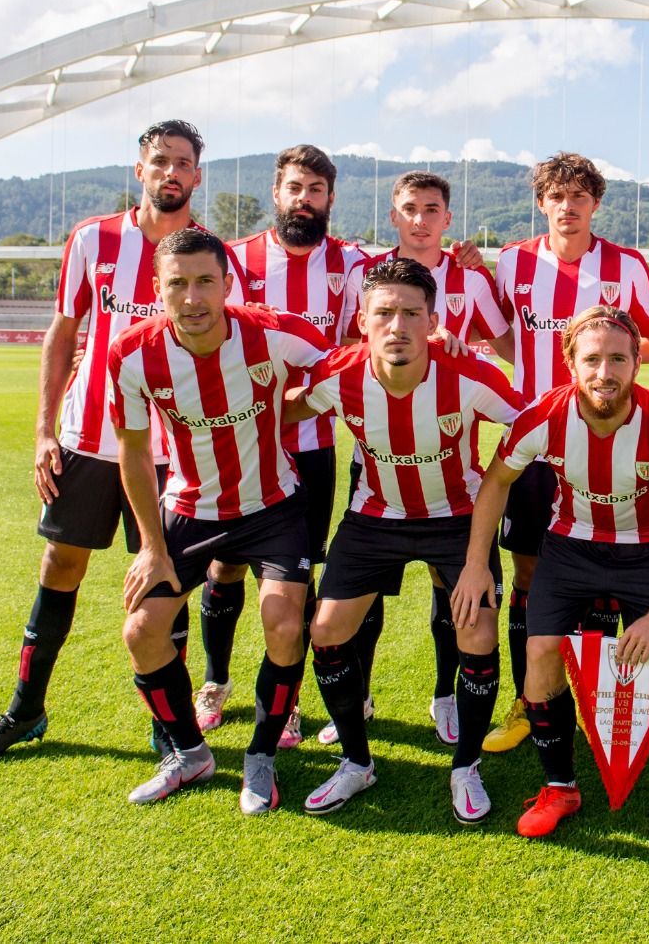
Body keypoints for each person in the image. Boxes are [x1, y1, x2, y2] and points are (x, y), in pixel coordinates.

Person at [0, 120, 238, 768]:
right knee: (61, 566)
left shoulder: (208, 253)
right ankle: (27, 708)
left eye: (184, 163)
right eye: (160, 160)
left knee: (165, 581)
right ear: (138, 170)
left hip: (171, 450)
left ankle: (167, 725)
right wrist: (42, 432)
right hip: (88, 438)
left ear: (197, 176)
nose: (171, 172)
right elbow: (63, 333)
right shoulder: (93, 239)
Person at [456, 306, 649, 845]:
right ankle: (560, 786)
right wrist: (477, 562)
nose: (604, 372)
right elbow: (496, 481)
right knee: (542, 651)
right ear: (570, 362)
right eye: (591, 359)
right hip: (571, 548)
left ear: (638, 361)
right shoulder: (542, 417)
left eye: (618, 358)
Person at [291, 257, 522, 821]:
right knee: (325, 630)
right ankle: (355, 762)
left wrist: (491, 498)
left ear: (433, 320)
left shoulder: (468, 374)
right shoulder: (340, 374)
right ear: (363, 320)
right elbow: (287, 408)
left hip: (458, 516)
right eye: (385, 314)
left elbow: (529, 424)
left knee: (478, 626)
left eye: (412, 314)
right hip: (374, 517)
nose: (398, 326)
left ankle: (465, 766)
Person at [109, 227, 329, 809]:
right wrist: (151, 547)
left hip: (273, 504)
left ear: (228, 284)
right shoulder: (132, 351)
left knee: (283, 622)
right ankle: (189, 753)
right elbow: (133, 450)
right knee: (142, 631)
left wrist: (297, 402)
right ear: (157, 290)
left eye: (206, 281)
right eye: (177, 283)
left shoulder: (274, 333)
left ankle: (260, 756)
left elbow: (348, 371)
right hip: (188, 510)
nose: (193, 297)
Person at [484, 152, 649, 753]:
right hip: (536, 441)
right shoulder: (515, 260)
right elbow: (500, 334)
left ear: (595, 204)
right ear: (541, 203)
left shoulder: (623, 265)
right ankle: (530, 698)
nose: (567, 208)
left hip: (612, 441)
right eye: (556, 197)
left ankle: (619, 696)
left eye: (580, 197)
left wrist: (609, 370)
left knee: (617, 562)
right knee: (530, 572)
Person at [335, 171, 513, 747]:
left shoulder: (467, 274)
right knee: (363, 592)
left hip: (451, 456)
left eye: (431, 209)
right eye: (409, 208)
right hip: (381, 460)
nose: (419, 218)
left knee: (452, 592)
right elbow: (347, 343)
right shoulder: (367, 274)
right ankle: (356, 698)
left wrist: (467, 345)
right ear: (393, 215)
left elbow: (510, 344)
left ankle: (446, 695)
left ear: (447, 218)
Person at [197, 145, 366, 750]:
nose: (304, 199)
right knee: (226, 563)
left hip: (315, 440)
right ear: (277, 193)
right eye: (295, 187)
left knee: (296, 577)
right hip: (244, 440)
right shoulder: (237, 260)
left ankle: (285, 702)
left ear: (329, 199)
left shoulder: (352, 265)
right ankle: (216, 681)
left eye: (316, 190)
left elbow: (397, 298)